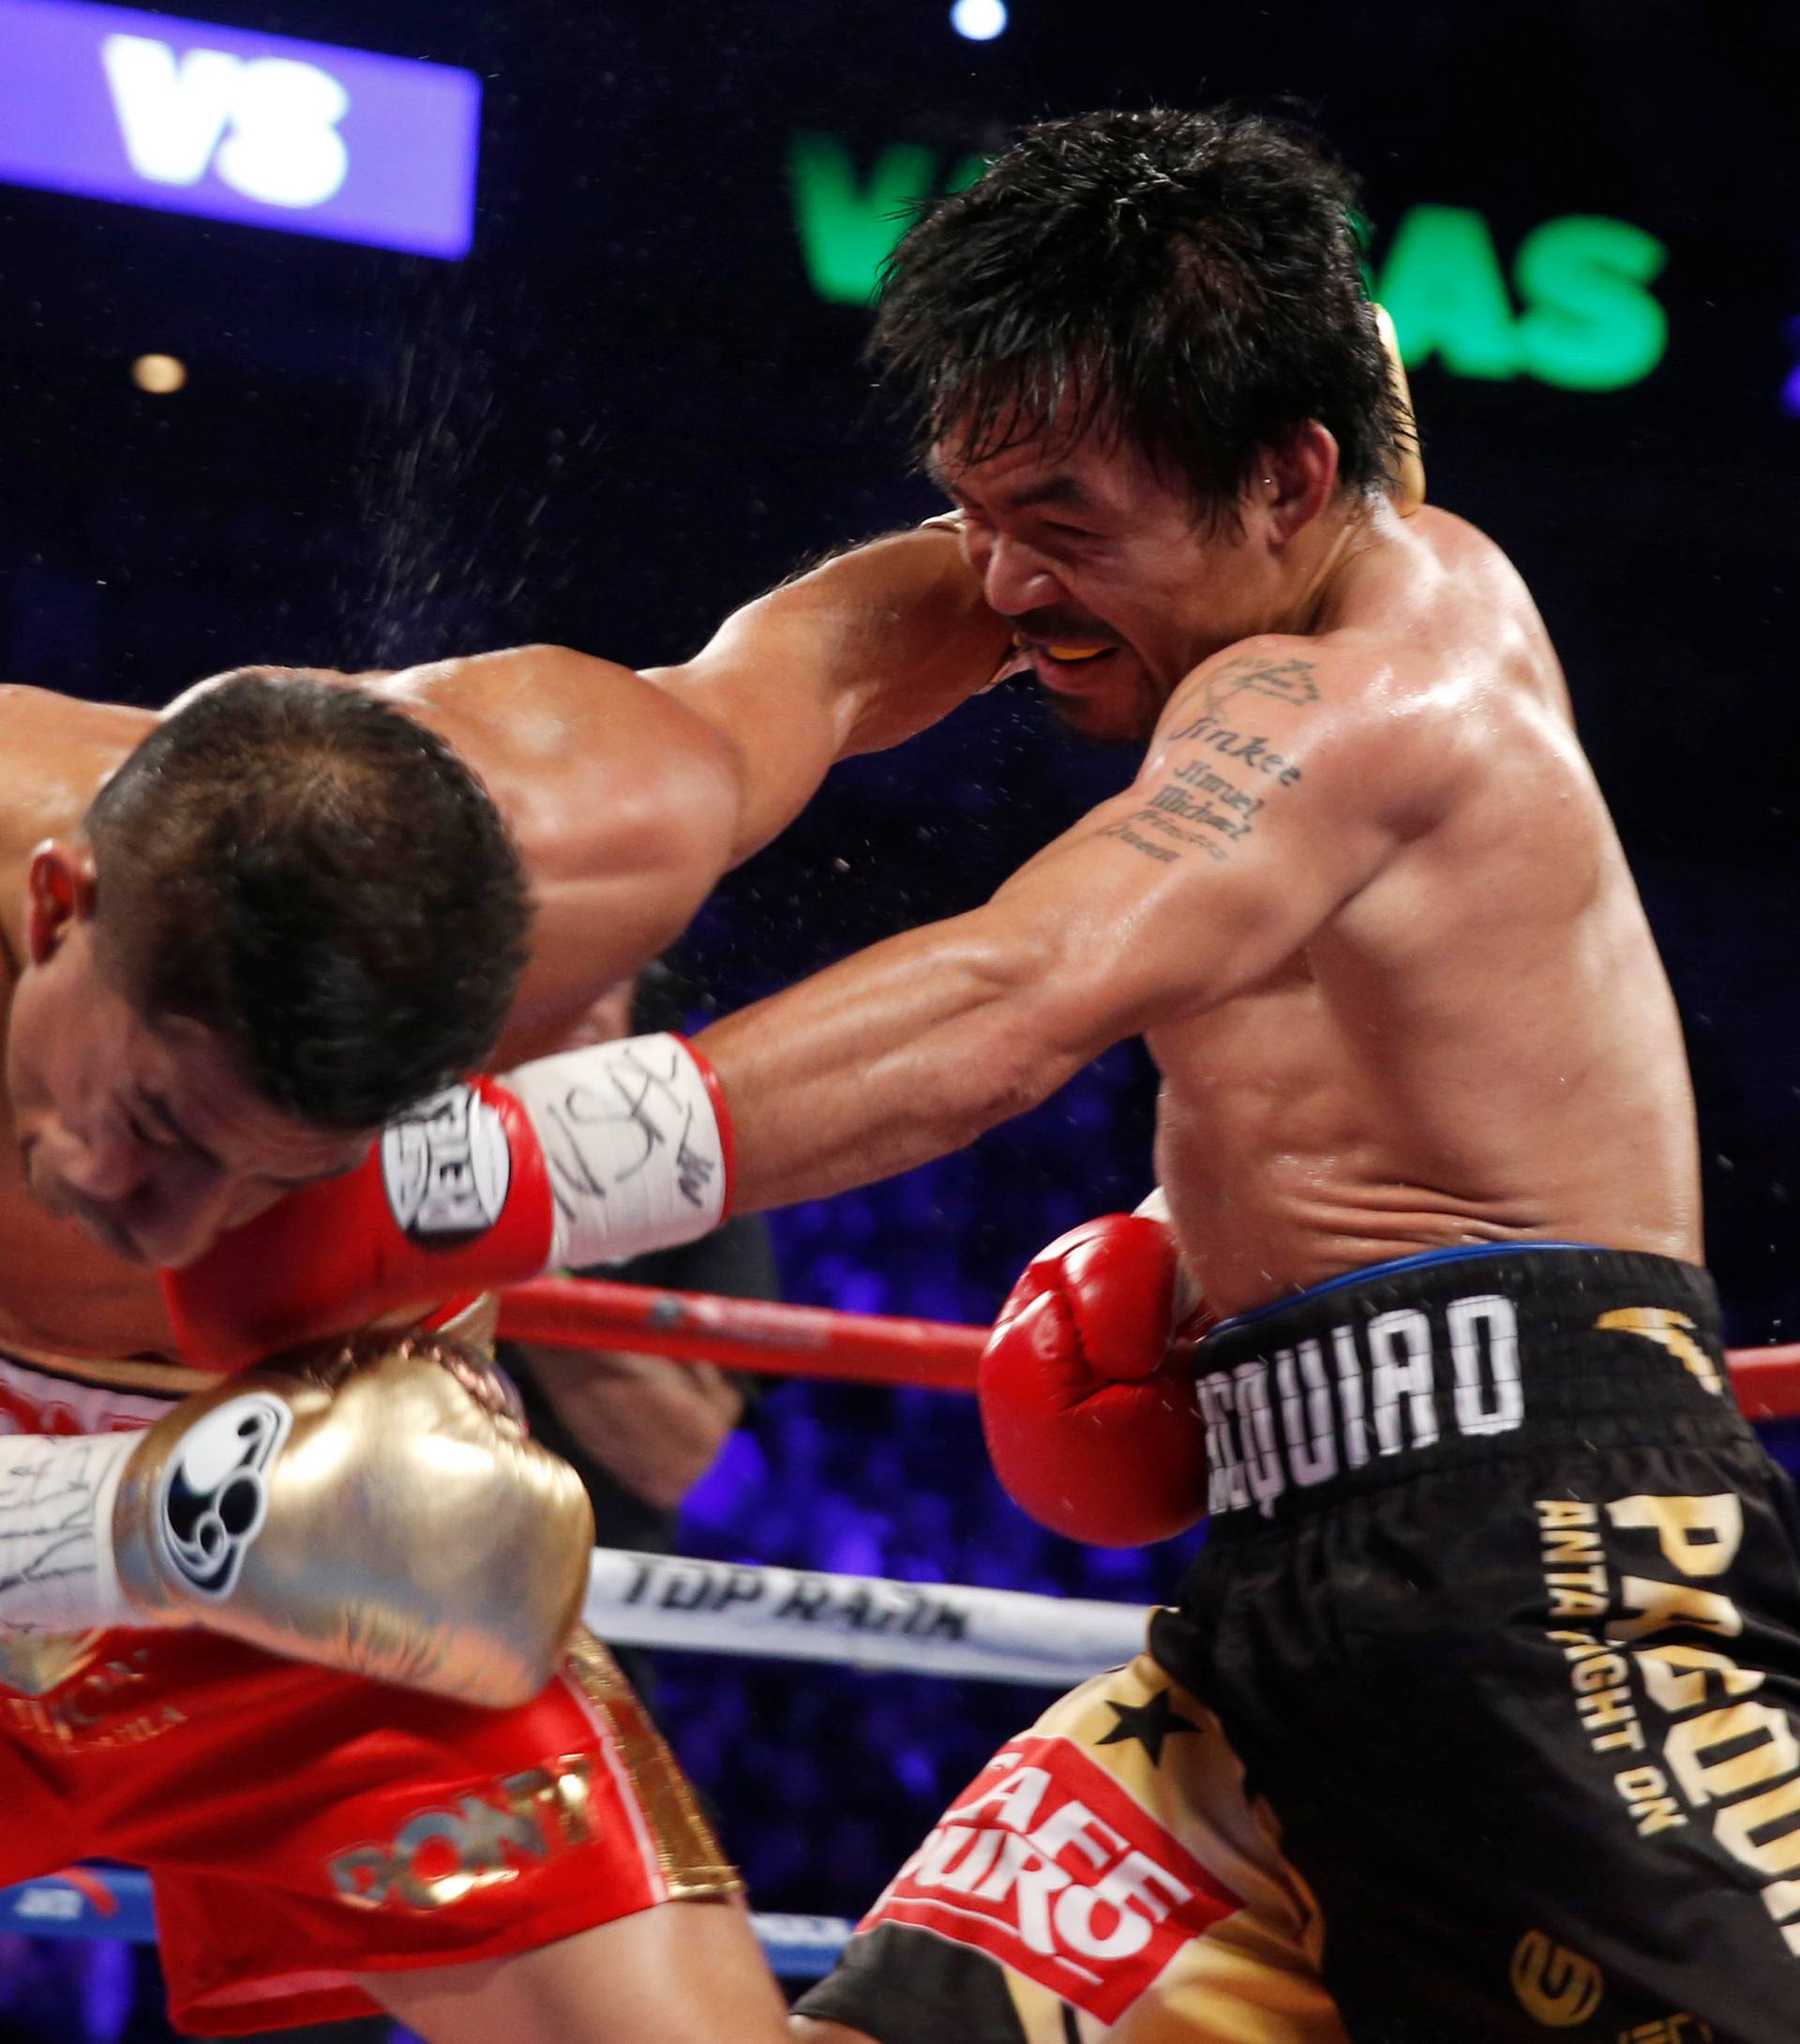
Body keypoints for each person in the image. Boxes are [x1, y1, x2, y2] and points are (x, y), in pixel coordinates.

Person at [175, 105, 1797, 2038]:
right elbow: (816, 667)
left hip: (1556, 1582)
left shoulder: (1388, 687)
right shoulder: (1187, 566)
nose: (1006, 587)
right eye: (977, 508)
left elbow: (1016, 996)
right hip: (1268, 1629)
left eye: (1064, 527)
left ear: (1286, 479)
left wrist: (442, 1179)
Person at [0, 544, 1009, 2040]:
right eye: (152, 1120)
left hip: (344, 1576)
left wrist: (1227, 539)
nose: (176, 1229)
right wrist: (164, 1523)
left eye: (277, 1181)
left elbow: (865, 641)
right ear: (55, 907)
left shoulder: (587, 831)